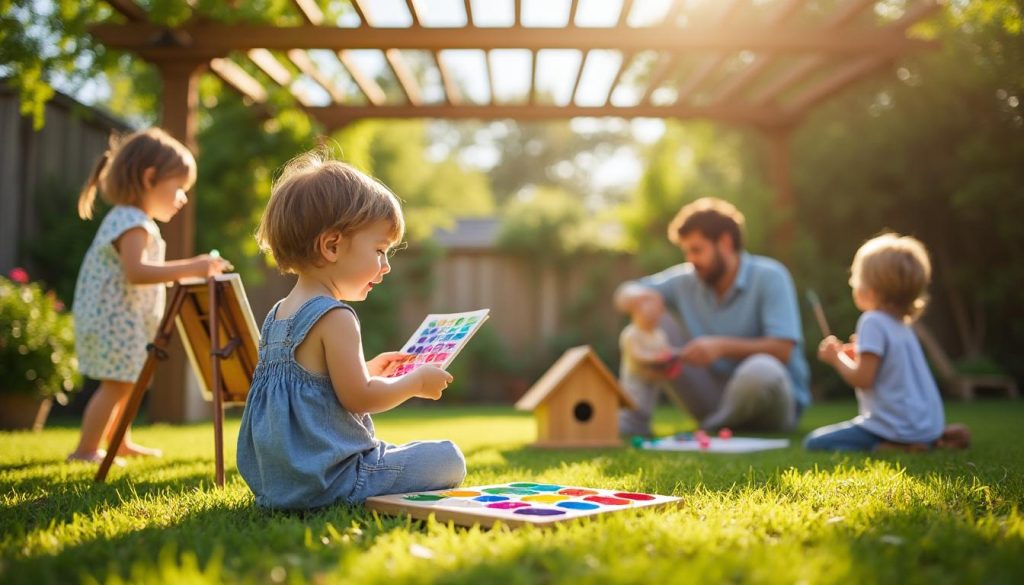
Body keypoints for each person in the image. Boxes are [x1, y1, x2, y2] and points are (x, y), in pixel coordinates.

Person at [236, 150, 466, 510]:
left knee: (406, 454)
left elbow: (314, 389)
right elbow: (358, 398)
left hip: (279, 484)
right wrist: (416, 383)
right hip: (335, 479)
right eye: (380, 250)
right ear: (332, 246)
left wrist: (369, 370)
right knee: (448, 458)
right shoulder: (336, 316)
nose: (386, 266)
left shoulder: (278, 314)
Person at [68, 128, 231, 464]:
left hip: (120, 321)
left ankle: (119, 441)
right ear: (149, 178)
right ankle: (85, 449)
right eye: (179, 188)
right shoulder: (133, 223)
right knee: (116, 385)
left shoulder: (131, 219)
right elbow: (137, 272)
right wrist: (193, 267)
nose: (183, 198)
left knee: (127, 383)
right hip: (114, 322)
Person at [614, 197, 809, 436]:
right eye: (687, 252)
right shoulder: (687, 280)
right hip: (712, 398)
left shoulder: (770, 276)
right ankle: (633, 423)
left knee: (761, 369)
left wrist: (721, 347)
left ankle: (713, 426)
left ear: (725, 243)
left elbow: (783, 349)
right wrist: (640, 299)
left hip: (770, 402)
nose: (691, 260)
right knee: (640, 332)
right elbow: (624, 291)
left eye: (697, 250)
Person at [804, 233, 970, 451]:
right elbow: (885, 370)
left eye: (857, 279)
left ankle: (896, 446)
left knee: (814, 443)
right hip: (924, 426)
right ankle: (932, 439)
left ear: (870, 290)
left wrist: (836, 358)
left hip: (892, 428)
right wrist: (856, 355)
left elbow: (863, 378)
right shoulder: (903, 325)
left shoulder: (871, 320)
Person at [618, 296, 683, 437]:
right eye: (648, 315)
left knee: (648, 406)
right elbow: (637, 355)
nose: (652, 319)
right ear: (636, 313)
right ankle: (624, 427)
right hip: (636, 379)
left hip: (653, 378)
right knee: (634, 404)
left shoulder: (659, 334)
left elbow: (666, 350)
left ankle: (643, 429)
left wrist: (672, 359)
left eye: (656, 315)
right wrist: (656, 357)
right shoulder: (631, 333)